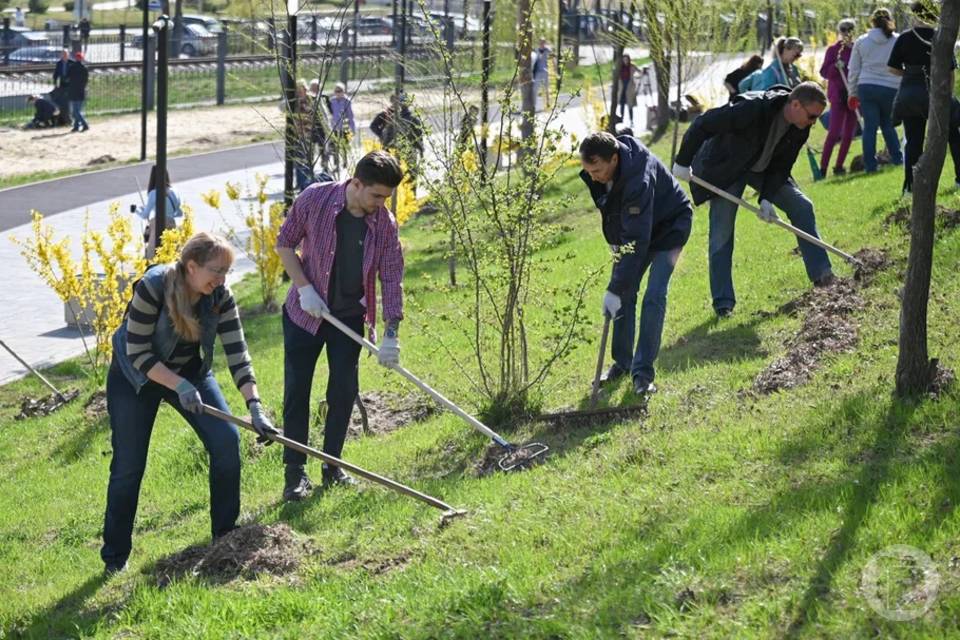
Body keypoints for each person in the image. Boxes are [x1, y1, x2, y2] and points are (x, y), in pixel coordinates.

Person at [101, 232, 279, 575]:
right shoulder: (153, 287)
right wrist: (177, 384)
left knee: (227, 441)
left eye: (227, 271)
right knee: (129, 465)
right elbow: (137, 352)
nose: (222, 279)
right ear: (191, 266)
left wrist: (254, 405)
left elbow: (238, 353)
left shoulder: (219, 298)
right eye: (216, 270)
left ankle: (224, 538)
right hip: (135, 378)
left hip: (189, 374)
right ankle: (115, 557)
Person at [275, 151, 405, 501]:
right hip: (305, 313)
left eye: (386, 198)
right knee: (297, 391)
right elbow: (284, 242)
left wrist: (391, 334)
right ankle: (295, 474)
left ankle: (332, 466)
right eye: (376, 195)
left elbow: (391, 277)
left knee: (344, 391)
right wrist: (304, 288)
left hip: (347, 318)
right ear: (356, 183)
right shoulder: (315, 198)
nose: (381, 204)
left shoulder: (384, 225)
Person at [672, 82, 835, 317]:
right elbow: (703, 123)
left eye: (816, 118)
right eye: (812, 116)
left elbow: (781, 166)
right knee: (721, 231)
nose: (813, 123)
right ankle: (723, 303)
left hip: (762, 169)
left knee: (801, 206)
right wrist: (682, 161)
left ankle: (823, 275)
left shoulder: (801, 127)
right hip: (729, 167)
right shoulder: (752, 108)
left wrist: (766, 198)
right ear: (796, 104)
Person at [579, 132, 692, 396]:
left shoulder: (638, 178)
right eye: (588, 170)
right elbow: (612, 210)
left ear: (615, 159)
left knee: (653, 296)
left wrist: (616, 285)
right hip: (637, 230)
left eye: (597, 170)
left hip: (670, 229)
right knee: (623, 295)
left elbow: (638, 240)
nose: (593, 176)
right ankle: (623, 362)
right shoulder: (600, 172)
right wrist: (616, 253)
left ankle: (642, 374)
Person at [888, 1, 960, 195]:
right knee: (954, 135)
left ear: (914, 15)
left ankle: (910, 187)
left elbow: (892, 68)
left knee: (913, 141)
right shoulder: (940, 37)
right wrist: (948, 96)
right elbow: (950, 72)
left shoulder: (904, 38)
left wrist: (911, 74)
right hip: (936, 92)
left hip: (910, 95)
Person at [848, 7, 903, 174]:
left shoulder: (862, 41)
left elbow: (854, 69)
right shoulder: (897, 40)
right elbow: (902, 66)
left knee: (869, 128)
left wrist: (852, 92)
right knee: (887, 124)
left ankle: (870, 166)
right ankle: (897, 158)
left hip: (867, 86)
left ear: (872, 21)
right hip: (890, 87)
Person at [819, 19, 859, 177]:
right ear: (839, 31)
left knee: (850, 133)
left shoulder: (857, 49)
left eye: (850, 29)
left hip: (853, 93)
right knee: (834, 132)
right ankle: (823, 167)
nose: (847, 32)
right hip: (838, 95)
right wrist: (835, 66)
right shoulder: (833, 50)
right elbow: (823, 72)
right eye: (843, 29)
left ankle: (839, 166)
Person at [370, 93, 424, 176]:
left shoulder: (403, 118)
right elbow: (418, 137)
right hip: (406, 151)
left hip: (394, 151)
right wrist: (421, 149)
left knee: (395, 174)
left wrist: (384, 141)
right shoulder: (388, 115)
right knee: (410, 174)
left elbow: (418, 136)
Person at [135, 166, 183, 257]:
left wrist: (136, 210)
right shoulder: (175, 191)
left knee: (153, 255)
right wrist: (169, 212)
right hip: (171, 224)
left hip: (157, 225)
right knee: (172, 254)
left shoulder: (153, 193)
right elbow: (179, 213)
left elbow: (145, 215)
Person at [739, 37, 804, 93]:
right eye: (796, 55)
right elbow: (768, 96)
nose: (797, 58)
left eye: (799, 55)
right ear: (786, 50)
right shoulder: (771, 71)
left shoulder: (794, 69)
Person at [327, 82, 356, 173]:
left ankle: (345, 161)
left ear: (343, 91)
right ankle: (336, 164)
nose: (338, 93)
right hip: (335, 128)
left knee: (344, 146)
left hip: (344, 127)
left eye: (340, 91)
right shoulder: (332, 101)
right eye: (336, 91)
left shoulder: (347, 101)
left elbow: (350, 116)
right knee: (334, 147)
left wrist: (352, 129)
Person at [66, 51, 89, 132]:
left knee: (75, 111)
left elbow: (67, 78)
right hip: (81, 91)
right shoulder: (84, 68)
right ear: (82, 58)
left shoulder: (72, 67)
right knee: (78, 110)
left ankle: (84, 124)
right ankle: (76, 126)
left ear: (75, 58)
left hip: (73, 91)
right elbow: (86, 81)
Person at [616, 54, 641, 126]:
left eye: (626, 59)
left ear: (629, 60)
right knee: (622, 104)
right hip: (622, 88)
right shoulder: (620, 67)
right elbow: (615, 74)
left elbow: (639, 71)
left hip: (629, 87)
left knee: (630, 105)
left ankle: (631, 120)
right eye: (624, 59)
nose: (625, 61)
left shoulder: (632, 66)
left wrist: (639, 76)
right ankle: (622, 119)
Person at [52, 49, 72, 127]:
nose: (63, 56)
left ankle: (69, 119)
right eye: (62, 54)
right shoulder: (59, 63)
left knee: (68, 103)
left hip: (70, 86)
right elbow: (56, 74)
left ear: (68, 55)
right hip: (62, 85)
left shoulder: (71, 63)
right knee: (63, 103)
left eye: (65, 54)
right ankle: (64, 119)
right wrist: (55, 84)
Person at [532, 38, 551, 110]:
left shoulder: (547, 50)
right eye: (541, 42)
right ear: (539, 43)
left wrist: (554, 70)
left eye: (543, 42)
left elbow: (553, 59)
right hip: (538, 72)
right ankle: (534, 105)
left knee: (546, 88)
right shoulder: (536, 51)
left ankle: (548, 103)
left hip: (545, 72)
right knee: (535, 89)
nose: (542, 43)